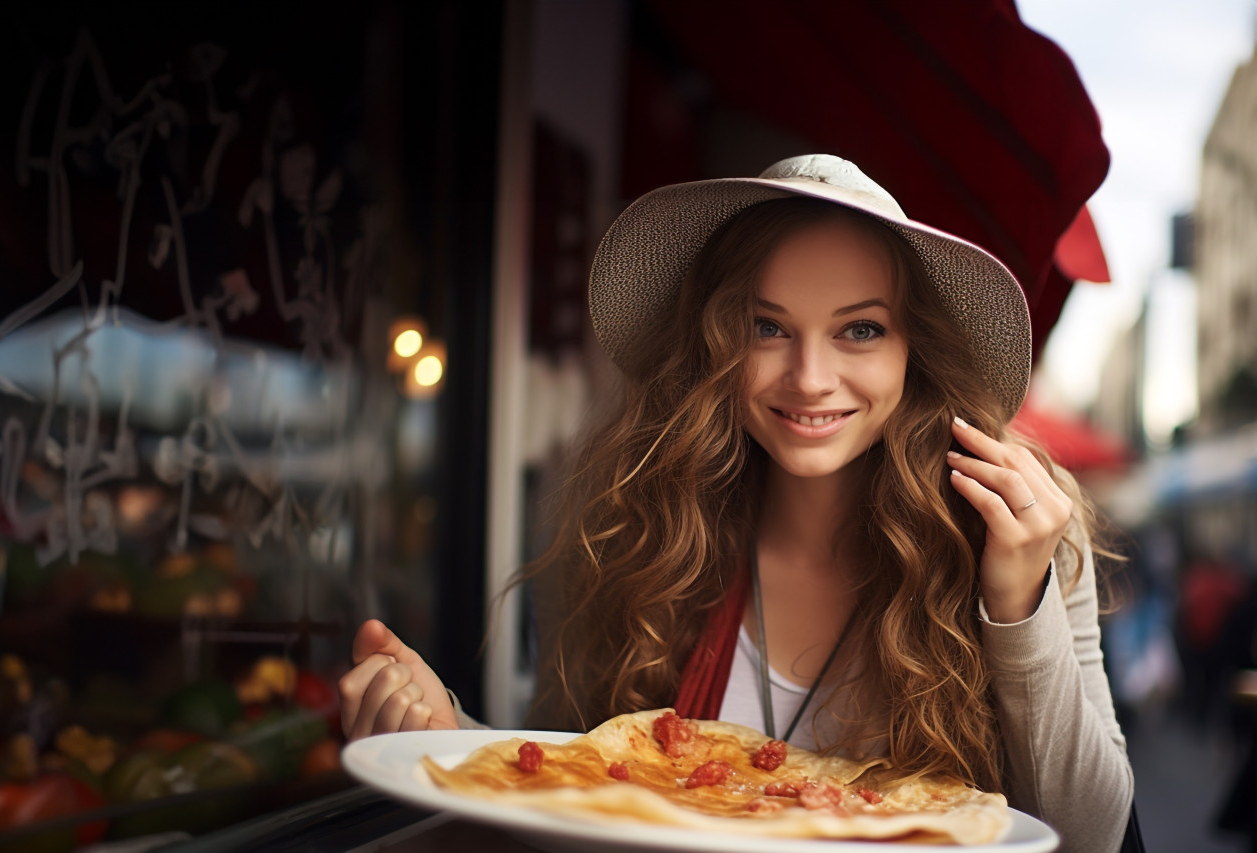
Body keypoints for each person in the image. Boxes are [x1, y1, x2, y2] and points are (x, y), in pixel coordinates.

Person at [339, 155, 1134, 852]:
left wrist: (1017, 598)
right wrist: (451, 734)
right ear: (717, 340)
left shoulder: (1018, 539)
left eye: (859, 329)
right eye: (768, 326)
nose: (812, 377)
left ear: (913, 350)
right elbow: (580, 798)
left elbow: (1092, 835)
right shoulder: (636, 527)